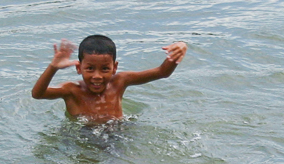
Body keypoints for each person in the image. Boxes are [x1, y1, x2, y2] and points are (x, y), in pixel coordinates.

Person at [30, 34, 186, 123]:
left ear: (115, 67)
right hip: (84, 135)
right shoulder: (71, 90)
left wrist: (179, 48)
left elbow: (162, 72)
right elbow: (38, 94)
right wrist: (53, 67)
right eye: (90, 69)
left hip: (118, 131)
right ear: (79, 68)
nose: (97, 76)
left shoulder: (120, 81)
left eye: (105, 69)